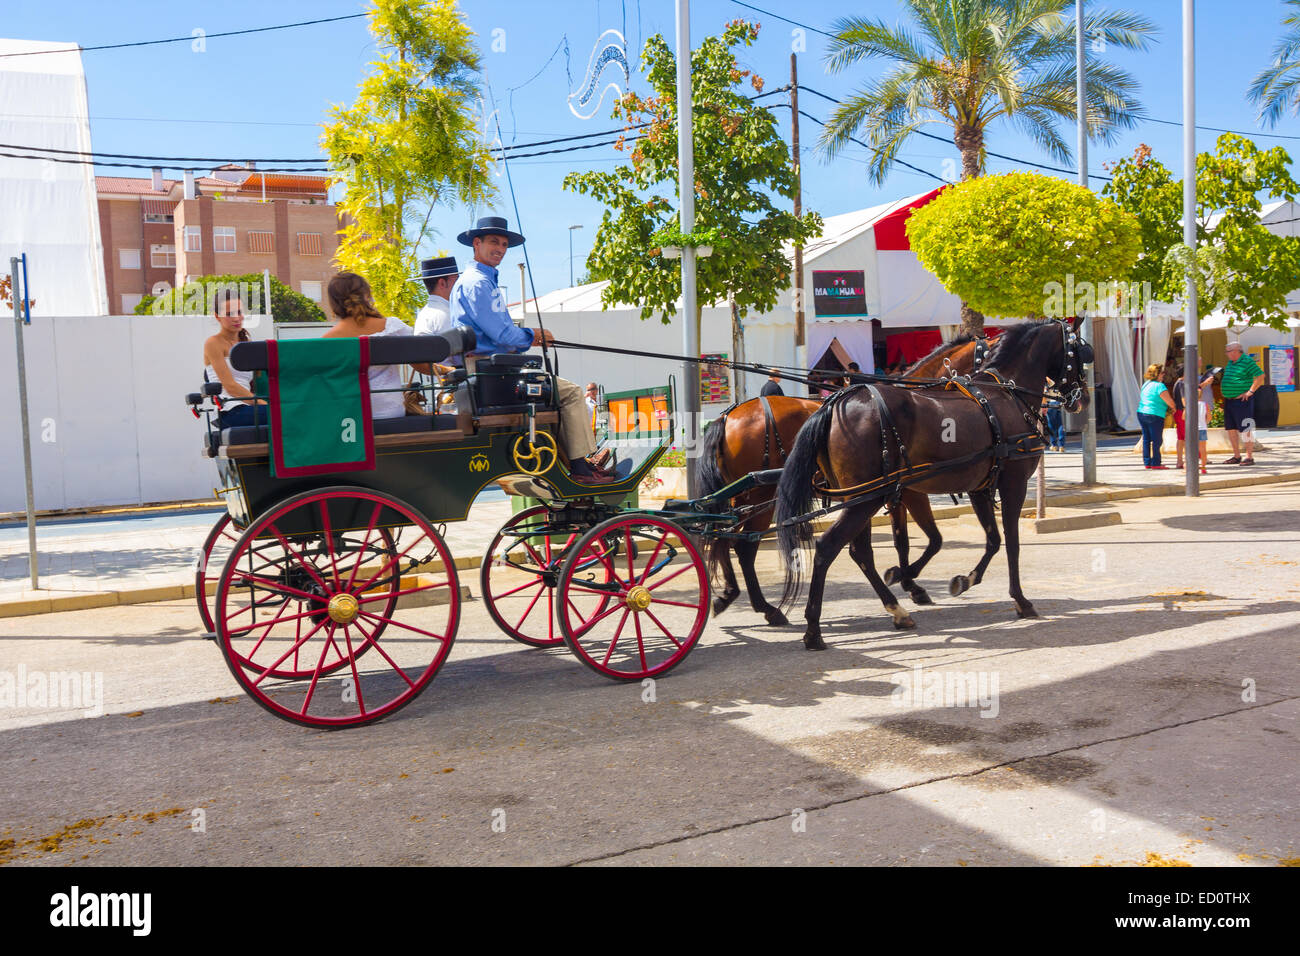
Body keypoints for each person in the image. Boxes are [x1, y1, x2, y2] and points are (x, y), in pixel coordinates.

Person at [449, 216, 614, 484]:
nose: (500, 249)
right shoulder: (478, 283)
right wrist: (533, 335)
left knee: (556, 391)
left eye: (504, 244)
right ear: (476, 243)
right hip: (493, 374)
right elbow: (503, 334)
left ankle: (576, 460)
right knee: (571, 393)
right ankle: (581, 467)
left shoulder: (473, 281)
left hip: (487, 371)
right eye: (494, 242)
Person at [323, 272, 450, 420]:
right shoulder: (392, 327)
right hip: (390, 411)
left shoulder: (327, 340)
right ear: (367, 295)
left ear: (334, 303)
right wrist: (447, 370)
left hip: (349, 416)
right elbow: (421, 365)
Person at [202, 291, 266, 429]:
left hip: (248, 406)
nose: (237, 318)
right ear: (217, 316)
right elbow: (230, 387)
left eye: (239, 312)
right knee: (283, 415)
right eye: (230, 314)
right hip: (230, 410)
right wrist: (263, 403)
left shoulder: (246, 343)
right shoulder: (213, 343)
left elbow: (258, 380)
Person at [1219, 342, 1265, 465]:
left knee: (1246, 428)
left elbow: (1260, 376)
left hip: (1242, 400)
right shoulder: (1231, 363)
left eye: (1227, 351)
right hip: (1230, 400)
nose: (1226, 354)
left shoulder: (1247, 361)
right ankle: (1236, 456)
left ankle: (1249, 456)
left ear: (1235, 351)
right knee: (1231, 428)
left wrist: (1250, 392)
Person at [1172, 363, 1213, 475]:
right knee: (1187, 439)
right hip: (1184, 412)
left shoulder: (1179, 383)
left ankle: (1180, 461)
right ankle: (1189, 462)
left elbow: (1195, 391)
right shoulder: (1182, 383)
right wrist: (1188, 409)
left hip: (1180, 412)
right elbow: (1185, 399)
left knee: (1181, 438)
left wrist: (1203, 384)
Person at [1136, 363, 1174, 469]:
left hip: (1141, 413)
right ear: (1157, 374)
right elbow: (1169, 401)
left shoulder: (1146, 384)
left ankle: (1147, 462)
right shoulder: (1160, 386)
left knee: (1146, 439)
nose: (1163, 375)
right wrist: (1174, 407)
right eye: (1162, 373)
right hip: (1154, 415)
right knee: (1157, 440)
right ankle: (1156, 463)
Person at [413, 256, 459, 337]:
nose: (459, 284)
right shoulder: (445, 315)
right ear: (442, 283)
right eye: (456, 280)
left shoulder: (424, 314)